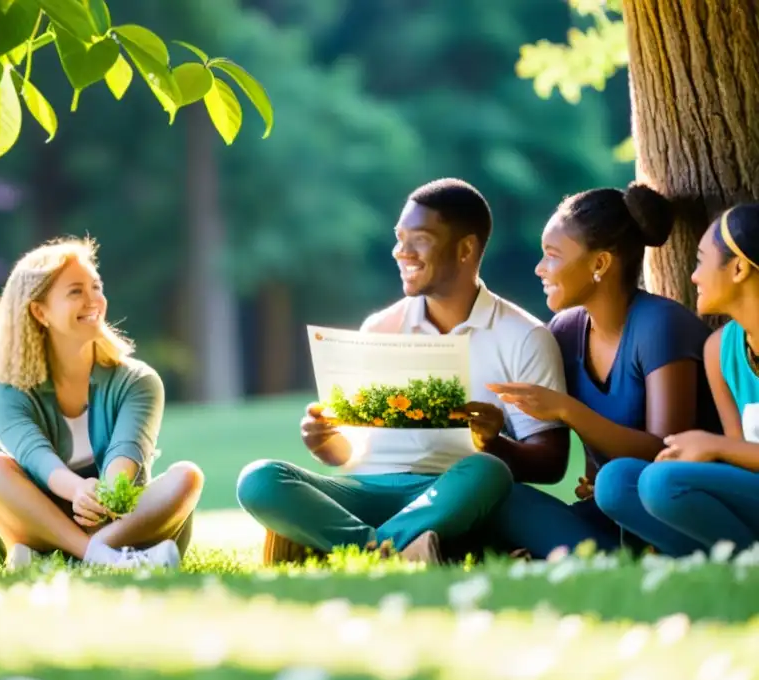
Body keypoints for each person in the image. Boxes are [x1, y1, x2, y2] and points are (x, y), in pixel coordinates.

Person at [236, 178, 570, 565]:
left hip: (452, 495)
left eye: (420, 239)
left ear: (465, 249)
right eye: (399, 237)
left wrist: (493, 441)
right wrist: (324, 443)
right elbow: (350, 451)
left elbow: (551, 464)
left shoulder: (523, 336)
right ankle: (395, 550)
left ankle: (346, 550)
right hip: (365, 492)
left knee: (488, 471)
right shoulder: (379, 327)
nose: (401, 252)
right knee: (260, 478)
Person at [486, 182, 719, 557]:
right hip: (615, 506)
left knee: (615, 482)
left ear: (600, 263)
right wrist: (489, 434)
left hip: (679, 504)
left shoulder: (660, 325)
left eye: (553, 255)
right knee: (505, 498)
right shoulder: (564, 331)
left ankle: (580, 556)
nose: (539, 268)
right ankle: (600, 558)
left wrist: (566, 408)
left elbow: (665, 451)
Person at [0, 237, 203, 571]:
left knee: (187, 477)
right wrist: (79, 490)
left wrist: (103, 497)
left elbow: (127, 454)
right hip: (39, 526)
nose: (93, 299)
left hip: (117, 522)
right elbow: (37, 460)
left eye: (96, 286)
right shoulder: (6, 392)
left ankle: (66, 561)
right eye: (75, 291)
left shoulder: (138, 381)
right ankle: (102, 558)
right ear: (40, 311)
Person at [591, 204, 759, 554]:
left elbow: (728, 447)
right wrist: (700, 454)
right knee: (615, 481)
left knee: (660, 482)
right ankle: (734, 563)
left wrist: (713, 446)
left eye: (700, 261)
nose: (693, 276)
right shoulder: (720, 350)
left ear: (739, 268)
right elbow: (741, 457)